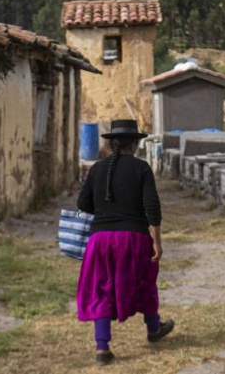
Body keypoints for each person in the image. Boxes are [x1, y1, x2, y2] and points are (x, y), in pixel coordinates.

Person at [76, 119, 175, 365]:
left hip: (100, 240)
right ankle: (153, 329)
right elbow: (152, 208)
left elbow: (82, 204)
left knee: (101, 288)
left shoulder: (97, 169)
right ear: (135, 143)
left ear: (112, 144)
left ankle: (102, 348)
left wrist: (104, 210)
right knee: (144, 282)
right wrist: (157, 242)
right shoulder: (142, 168)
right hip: (134, 239)